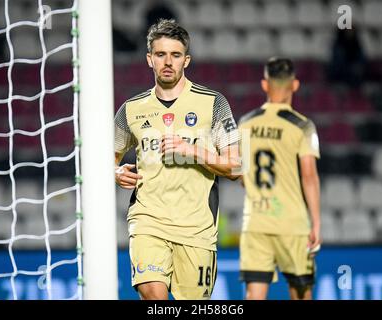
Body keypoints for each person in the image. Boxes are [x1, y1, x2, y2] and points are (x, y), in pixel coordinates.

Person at [114, 19, 241, 300]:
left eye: (175, 55)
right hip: (148, 219)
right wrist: (114, 171)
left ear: (187, 60)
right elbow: (108, 157)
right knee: (153, 295)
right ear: (150, 59)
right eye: (160, 55)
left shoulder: (214, 103)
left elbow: (235, 166)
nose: (167, 62)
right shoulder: (131, 109)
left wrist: (194, 150)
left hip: (197, 228)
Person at [238, 57, 321, 300]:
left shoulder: (245, 123)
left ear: (265, 85)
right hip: (292, 224)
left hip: (256, 222)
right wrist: (316, 223)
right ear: (295, 85)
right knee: (301, 294)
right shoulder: (303, 126)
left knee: (254, 295)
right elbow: (309, 177)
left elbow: (240, 175)